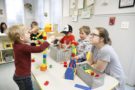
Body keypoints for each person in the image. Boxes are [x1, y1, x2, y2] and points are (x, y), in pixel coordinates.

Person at [7, 24, 51, 90]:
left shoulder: (16, 44)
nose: (30, 34)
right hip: (24, 77)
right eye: (28, 32)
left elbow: (25, 39)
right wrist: (48, 41)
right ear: (21, 37)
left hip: (19, 75)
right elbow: (40, 49)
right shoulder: (23, 47)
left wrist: (30, 32)